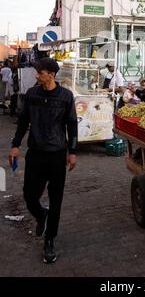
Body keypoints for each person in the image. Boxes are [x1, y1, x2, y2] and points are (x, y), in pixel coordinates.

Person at [8, 57, 78, 264]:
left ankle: (49, 240)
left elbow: (72, 125)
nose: (37, 75)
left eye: (40, 72)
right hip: (36, 154)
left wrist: (72, 151)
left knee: (56, 201)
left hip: (57, 156)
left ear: (51, 74)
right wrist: (15, 145)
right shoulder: (32, 94)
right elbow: (23, 122)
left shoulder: (66, 96)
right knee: (30, 196)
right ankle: (41, 215)